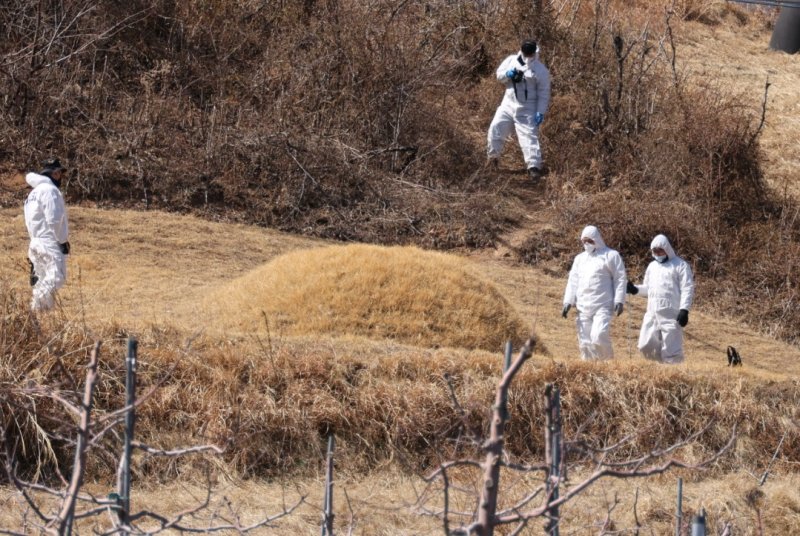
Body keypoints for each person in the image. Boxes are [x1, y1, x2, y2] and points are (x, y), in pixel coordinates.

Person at [486, 39, 551, 182]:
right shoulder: (511, 61)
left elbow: (544, 92)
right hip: (508, 103)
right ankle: (493, 158)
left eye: (530, 54)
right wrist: (508, 75)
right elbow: (499, 75)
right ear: (521, 50)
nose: (528, 56)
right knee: (496, 128)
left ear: (534, 52)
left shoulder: (540, 70)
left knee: (529, 137)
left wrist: (540, 111)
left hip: (528, 108)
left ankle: (533, 168)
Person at [626, 234, 695, 364]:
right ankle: (657, 368)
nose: (657, 253)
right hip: (652, 312)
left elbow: (687, 288)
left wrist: (684, 309)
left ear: (667, 249)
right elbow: (648, 288)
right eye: (654, 251)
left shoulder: (680, 265)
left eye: (660, 250)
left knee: (671, 350)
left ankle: (673, 375)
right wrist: (635, 289)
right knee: (645, 345)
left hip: (671, 313)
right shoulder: (652, 266)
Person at [562, 225, 627, 360]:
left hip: (602, 305)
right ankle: (590, 369)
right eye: (584, 241)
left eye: (589, 241)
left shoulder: (611, 255)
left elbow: (620, 278)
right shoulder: (580, 259)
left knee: (599, 335)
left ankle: (608, 364)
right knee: (585, 342)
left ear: (596, 239)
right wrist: (568, 301)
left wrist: (619, 300)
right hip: (583, 306)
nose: (586, 244)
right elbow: (573, 281)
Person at [24, 157, 70, 312]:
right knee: (58, 276)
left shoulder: (32, 193)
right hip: (49, 240)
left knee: (42, 280)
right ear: (53, 174)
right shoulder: (50, 191)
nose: (60, 177)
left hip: (35, 241)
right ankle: (34, 309)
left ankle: (41, 320)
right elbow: (54, 219)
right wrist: (62, 241)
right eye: (58, 174)